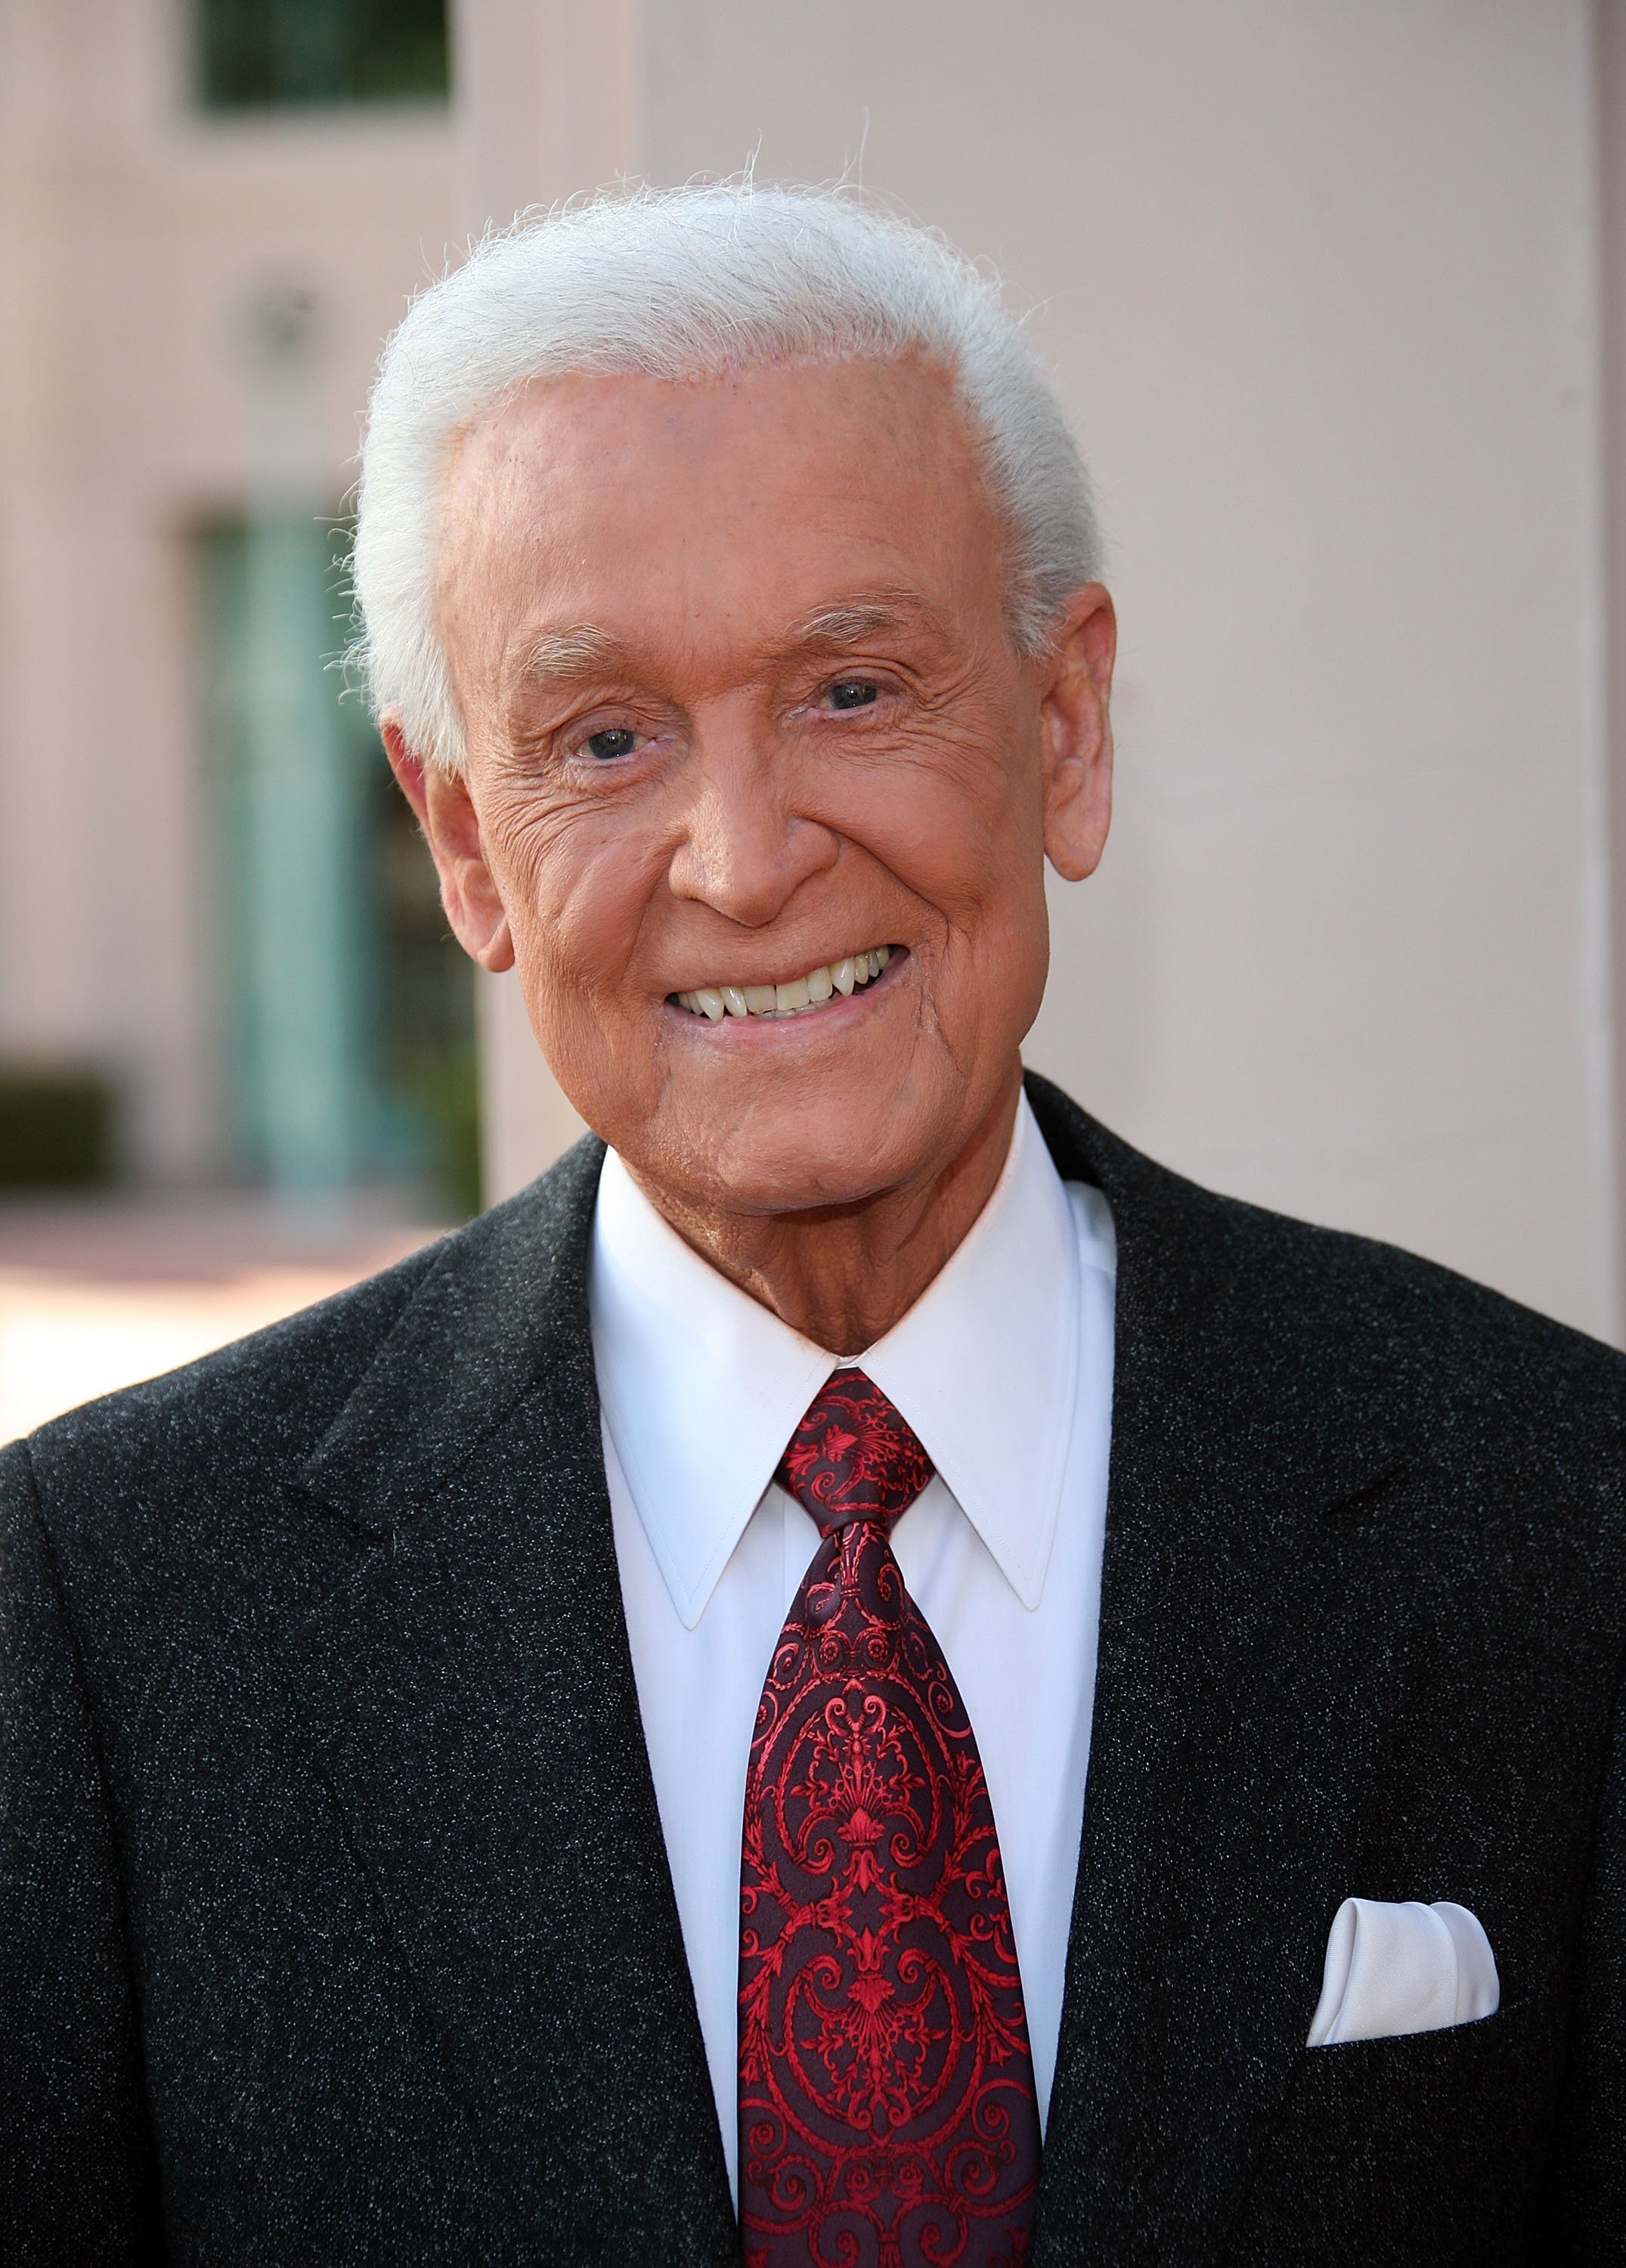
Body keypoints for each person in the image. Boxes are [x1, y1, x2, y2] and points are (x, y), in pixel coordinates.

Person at [2, 182, 1621, 2268]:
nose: (747, 861)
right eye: (606, 738)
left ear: (1065, 726)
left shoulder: (1559, 1520)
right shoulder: (108, 1617)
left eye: (853, 689)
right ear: (465, 843)